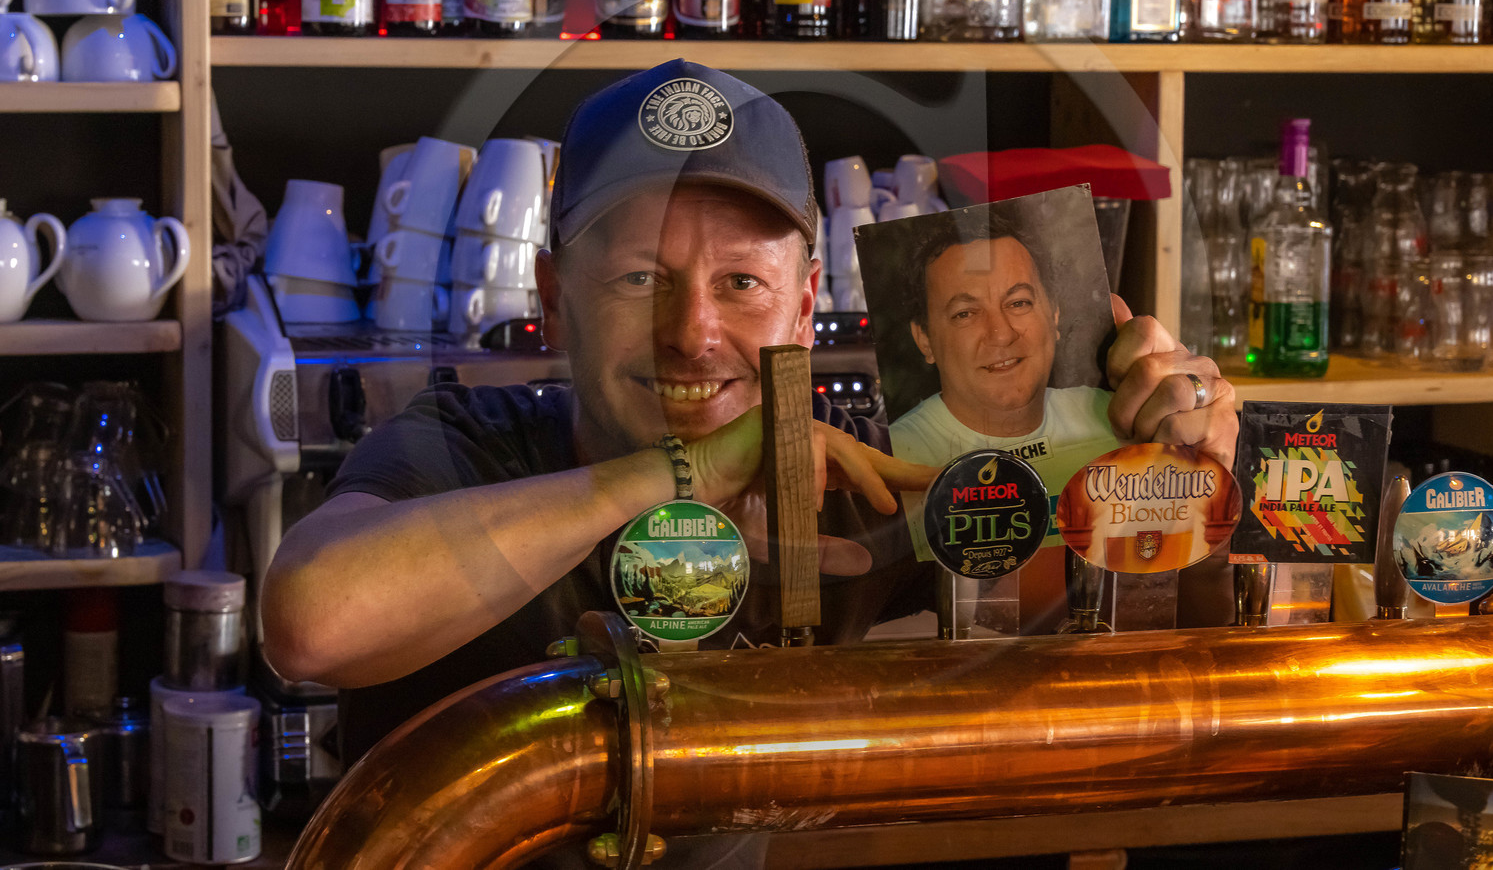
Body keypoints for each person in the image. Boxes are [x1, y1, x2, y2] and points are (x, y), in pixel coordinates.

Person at [261, 59, 1236, 865]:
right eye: (641, 277)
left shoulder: (860, 476)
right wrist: (680, 475)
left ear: (805, 301)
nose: (692, 332)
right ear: (553, 296)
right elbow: (311, 620)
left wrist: (1176, 471)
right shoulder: (466, 449)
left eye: (740, 282)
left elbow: (1139, 674)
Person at [890, 205, 1237, 630]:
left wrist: (1213, 492)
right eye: (966, 313)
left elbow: (1199, 630)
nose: (1001, 334)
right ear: (924, 339)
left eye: (1018, 302)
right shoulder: (891, 462)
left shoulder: (1122, 416)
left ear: (1053, 316)